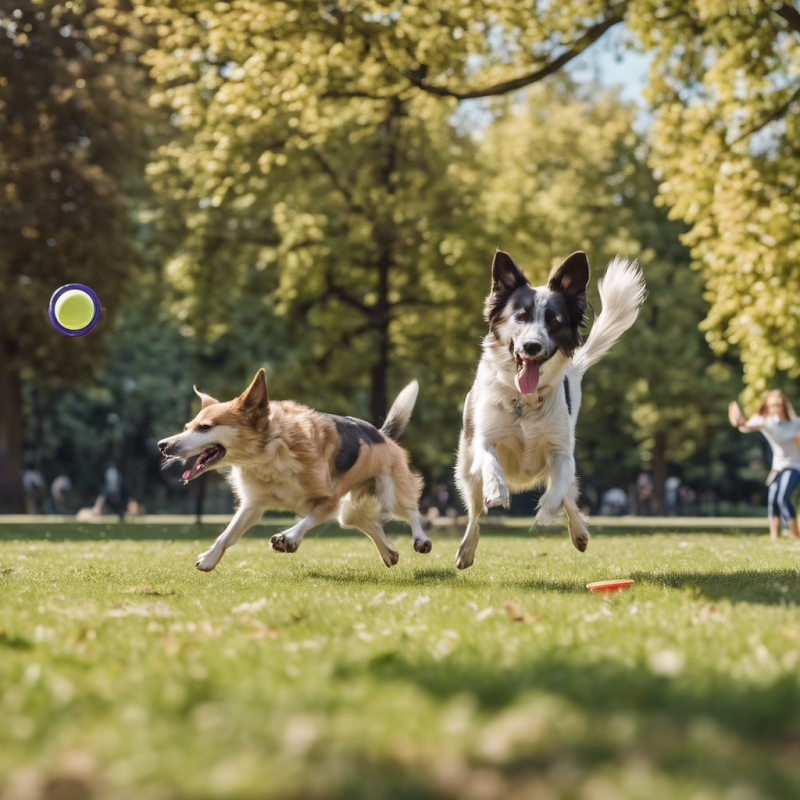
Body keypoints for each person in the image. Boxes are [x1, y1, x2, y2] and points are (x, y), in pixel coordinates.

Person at [729, 390, 800, 540]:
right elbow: (747, 425)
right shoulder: (767, 422)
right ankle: (775, 536)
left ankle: (795, 533)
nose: (775, 408)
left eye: (778, 405)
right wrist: (740, 420)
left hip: (794, 466)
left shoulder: (796, 424)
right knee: (773, 498)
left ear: (784, 405)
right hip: (778, 467)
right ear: (767, 407)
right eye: (772, 405)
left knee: (783, 497)